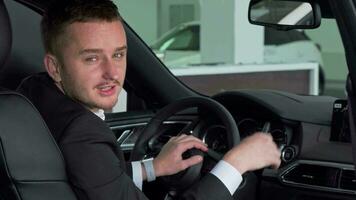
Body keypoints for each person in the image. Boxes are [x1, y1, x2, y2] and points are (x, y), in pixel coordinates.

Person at [17, 0, 281, 199]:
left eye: (118, 55)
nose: (112, 73)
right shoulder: (82, 133)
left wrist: (152, 168)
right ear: (54, 67)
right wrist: (236, 164)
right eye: (92, 58)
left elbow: (90, 178)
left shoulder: (32, 91)